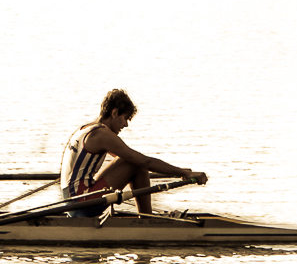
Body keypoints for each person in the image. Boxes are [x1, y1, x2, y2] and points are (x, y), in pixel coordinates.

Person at [59, 89, 208, 218]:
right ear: (114, 112)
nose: (126, 124)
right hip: (81, 205)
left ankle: (145, 217)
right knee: (136, 164)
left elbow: (125, 160)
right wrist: (182, 173)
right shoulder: (102, 134)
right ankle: (146, 220)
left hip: (71, 203)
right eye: (125, 118)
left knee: (130, 161)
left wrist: (176, 172)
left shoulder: (85, 129)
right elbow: (144, 161)